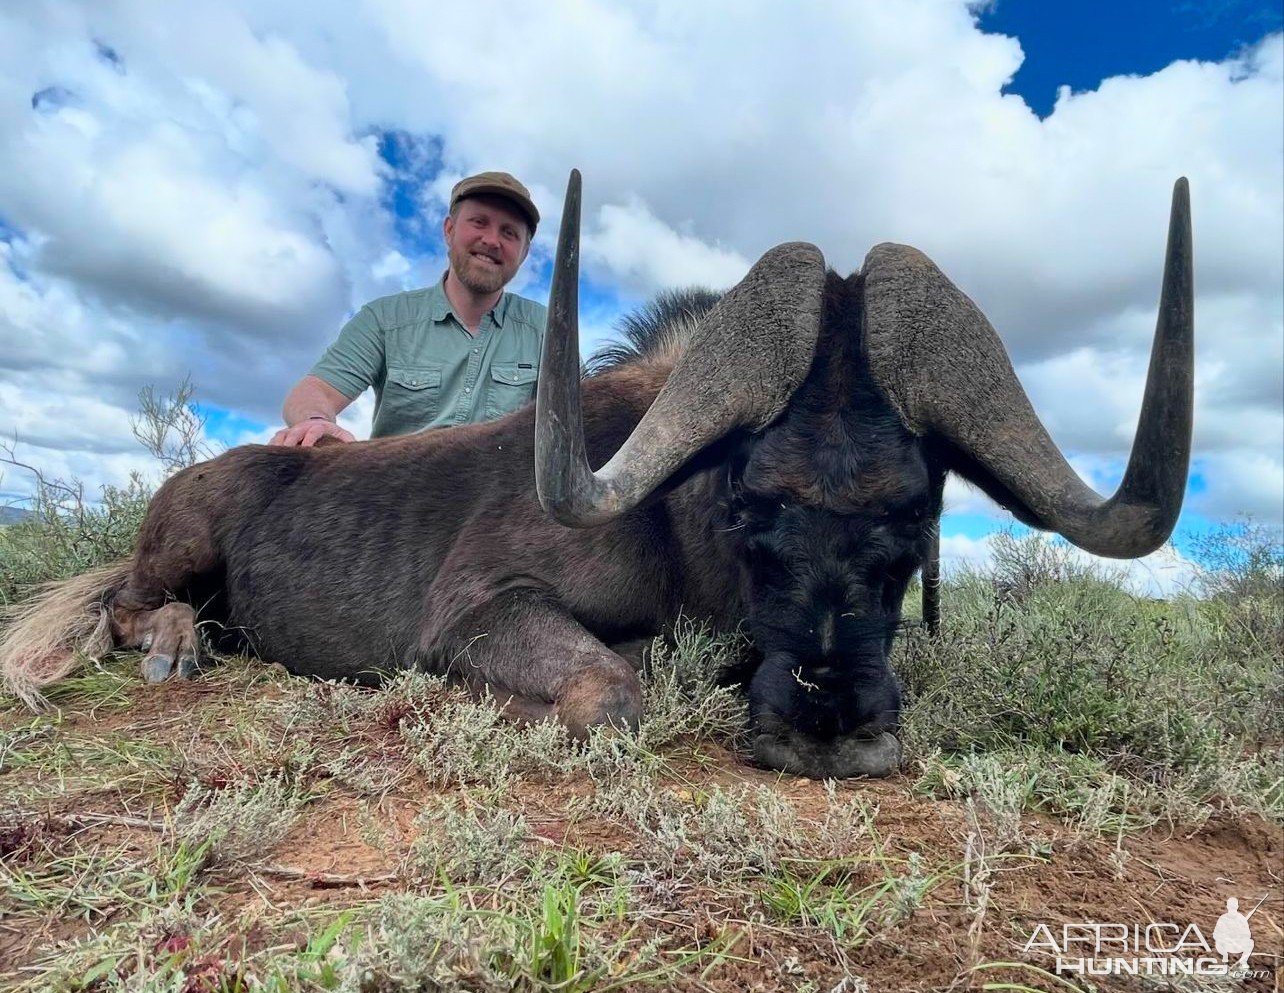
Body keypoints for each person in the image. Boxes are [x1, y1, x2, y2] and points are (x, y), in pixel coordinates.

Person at [271, 171, 546, 447]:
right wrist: (315, 421)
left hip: (504, 489)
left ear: (524, 253)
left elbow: (577, 418)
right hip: (397, 486)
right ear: (449, 230)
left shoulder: (548, 331)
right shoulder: (383, 319)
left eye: (509, 233)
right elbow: (316, 390)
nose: (491, 240)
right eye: (479, 222)